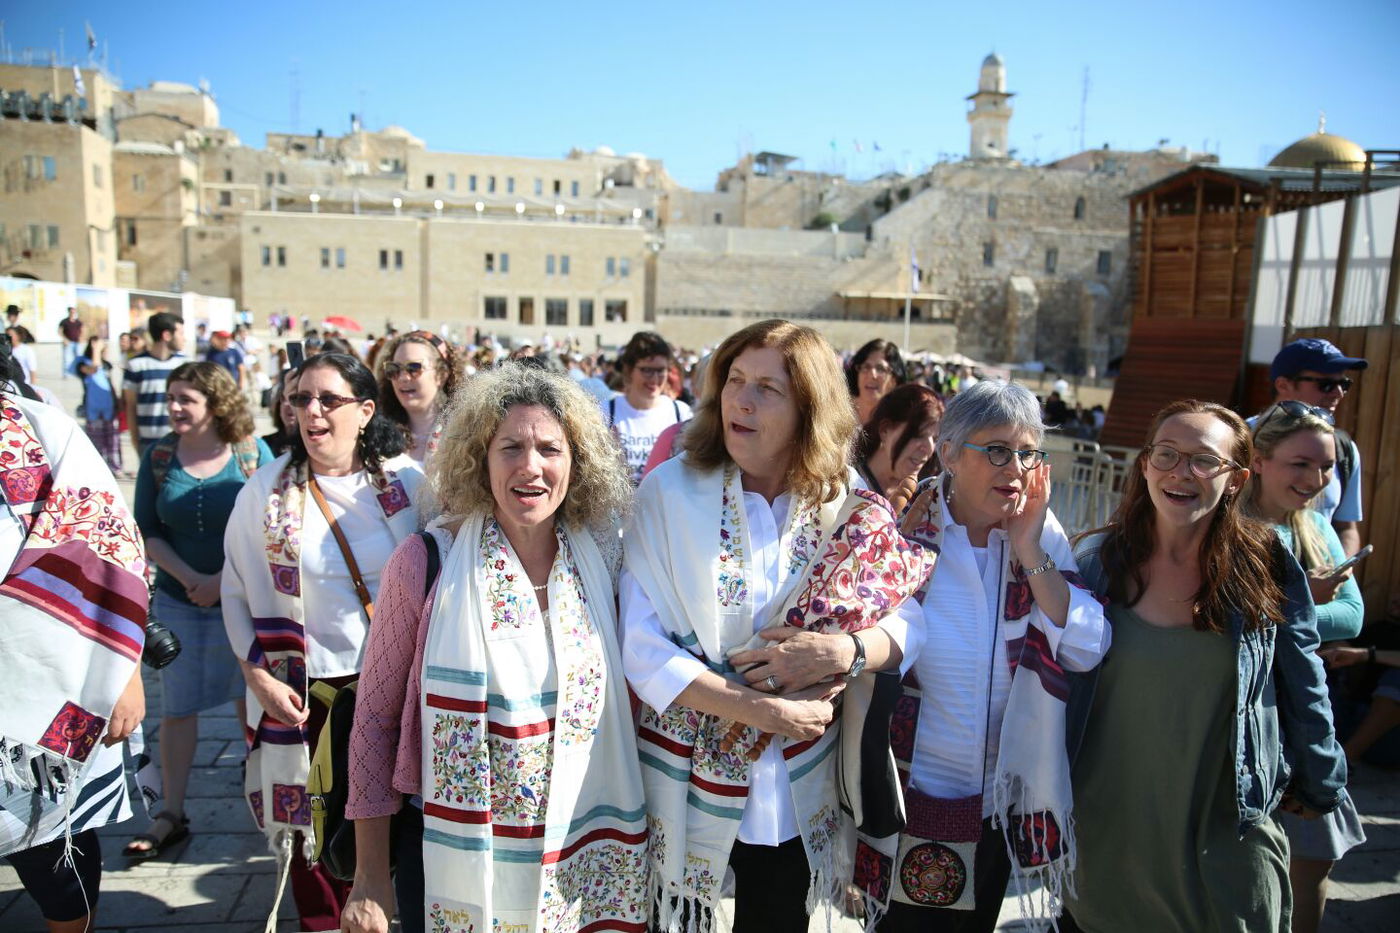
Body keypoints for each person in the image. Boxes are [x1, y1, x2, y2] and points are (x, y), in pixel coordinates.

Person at [623, 319, 930, 931]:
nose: (742, 399)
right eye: (735, 379)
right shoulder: (668, 492)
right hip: (685, 787)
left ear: (809, 410)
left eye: (768, 388)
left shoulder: (846, 503)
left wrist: (842, 651)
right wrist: (764, 711)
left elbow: (908, 620)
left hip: (792, 795)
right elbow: (641, 646)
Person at [343, 364, 648, 933]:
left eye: (550, 449)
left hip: (581, 853)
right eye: (510, 447)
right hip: (449, 847)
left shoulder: (605, 559)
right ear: (480, 461)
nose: (530, 466)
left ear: (576, 463)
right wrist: (369, 877)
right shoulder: (423, 562)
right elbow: (375, 723)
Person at [1065, 400, 1346, 932]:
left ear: (1237, 478)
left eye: (1203, 460)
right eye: (1167, 455)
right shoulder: (1094, 568)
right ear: (1145, 464)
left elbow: (1303, 677)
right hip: (1110, 831)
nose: (1181, 473)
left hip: (1228, 829)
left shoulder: (1267, 563)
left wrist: (1320, 776)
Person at [871, 380, 1108, 932]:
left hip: (1003, 801)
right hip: (915, 793)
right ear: (949, 453)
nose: (1015, 469)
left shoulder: (1037, 532)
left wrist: (1029, 552)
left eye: (1028, 454)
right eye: (997, 450)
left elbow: (1087, 646)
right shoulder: (903, 530)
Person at [222, 352, 425, 931]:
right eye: (301, 400)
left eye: (328, 400)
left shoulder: (408, 485)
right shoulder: (264, 492)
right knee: (312, 828)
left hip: (393, 688)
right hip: (304, 692)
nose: (311, 412)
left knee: (393, 817)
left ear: (364, 411)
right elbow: (236, 590)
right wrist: (257, 675)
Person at [1, 337, 149, 933]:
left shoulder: (39, 432)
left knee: (57, 864)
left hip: (50, 673)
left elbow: (109, 550)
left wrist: (125, 672)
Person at [126, 362, 275, 860]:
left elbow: (272, 526)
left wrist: (223, 581)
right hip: (178, 599)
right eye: (171, 398)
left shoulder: (252, 453)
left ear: (215, 402)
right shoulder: (160, 454)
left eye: (186, 399)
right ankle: (171, 811)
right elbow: (146, 528)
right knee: (178, 707)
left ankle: (263, 800)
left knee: (248, 700)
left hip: (244, 599)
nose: (173, 408)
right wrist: (192, 579)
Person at [1244, 402, 1366, 933]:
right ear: (1259, 461)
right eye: (1301, 463)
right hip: (1247, 720)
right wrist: (1299, 600)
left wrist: (1295, 607)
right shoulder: (1231, 528)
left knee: (1314, 861)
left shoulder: (1316, 526)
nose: (1316, 479)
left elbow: (1352, 616)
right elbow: (1217, 618)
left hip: (1306, 721)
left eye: (1326, 466)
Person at [1259, 338, 1368, 556]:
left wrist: (1339, 572)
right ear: (1283, 385)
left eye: (1344, 384)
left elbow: (1346, 527)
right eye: (1325, 384)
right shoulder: (1236, 440)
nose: (1338, 393)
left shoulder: (1343, 448)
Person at [607, 331, 691, 485]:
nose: (654, 378)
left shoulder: (680, 412)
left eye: (660, 370)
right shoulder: (607, 411)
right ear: (630, 370)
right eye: (646, 370)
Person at [375, 330, 465, 464]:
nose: (403, 377)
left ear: (442, 374)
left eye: (414, 368)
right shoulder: (377, 434)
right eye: (394, 369)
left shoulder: (464, 434)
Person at [854, 382, 944, 500]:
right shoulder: (845, 482)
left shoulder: (925, 497)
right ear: (885, 430)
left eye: (935, 439)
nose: (928, 448)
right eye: (918, 435)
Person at [124, 311, 187, 457]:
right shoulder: (136, 365)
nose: (185, 339)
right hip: (148, 443)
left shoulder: (185, 364)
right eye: (181, 333)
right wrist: (135, 440)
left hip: (180, 440)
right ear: (167, 335)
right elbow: (130, 406)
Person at [74, 336, 124, 474]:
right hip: (92, 408)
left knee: (113, 439)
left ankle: (115, 467)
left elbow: (110, 383)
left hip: (109, 406)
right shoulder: (81, 363)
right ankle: (98, 468)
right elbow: (93, 370)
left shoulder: (106, 364)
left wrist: (118, 401)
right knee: (96, 440)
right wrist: (96, 350)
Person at [847, 339, 907, 425]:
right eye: (866, 367)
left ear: (894, 380)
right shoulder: (837, 413)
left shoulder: (901, 423)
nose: (872, 375)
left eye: (880, 369)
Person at [262, 366, 299, 457]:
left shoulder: (311, 445)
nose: (289, 405)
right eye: (284, 399)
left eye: (295, 399)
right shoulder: (266, 443)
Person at [60, 306, 84, 379]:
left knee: (78, 358)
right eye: (71, 312)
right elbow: (60, 331)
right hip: (68, 343)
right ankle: (66, 374)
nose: (73, 313)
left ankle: (79, 373)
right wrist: (64, 339)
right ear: (69, 312)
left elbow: (82, 330)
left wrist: (81, 338)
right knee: (67, 359)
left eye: (74, 312)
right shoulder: (64, 321)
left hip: (77, 343)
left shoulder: (78, 322)